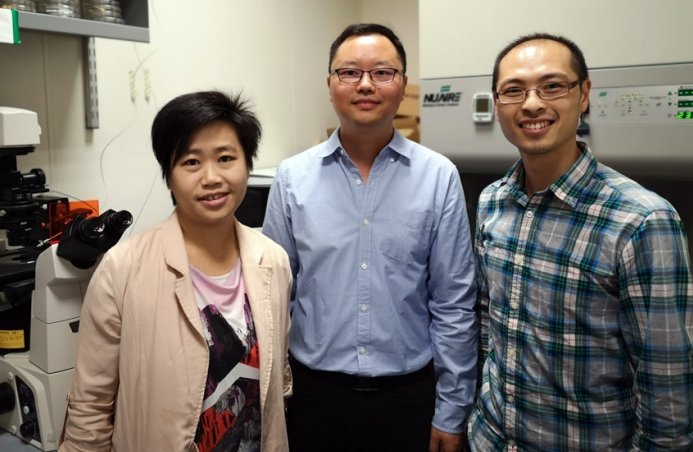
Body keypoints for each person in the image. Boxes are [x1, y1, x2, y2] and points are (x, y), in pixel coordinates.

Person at [468, 33, 693, 451]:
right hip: (491, 439)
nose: (532, 103)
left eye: (552, 86)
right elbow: (487, 324)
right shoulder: (493, 201)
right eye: (514, 90)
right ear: (498, 105)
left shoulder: (641, 220)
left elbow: (667, 380)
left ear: (584, 94)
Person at [262, 23, 477, 452]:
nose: (365, 84)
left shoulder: (438, 177)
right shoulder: (291, 179)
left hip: (410, 399)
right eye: (349, 73)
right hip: (312, 397)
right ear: (329, 84)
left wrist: (452, 411)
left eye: (382, 73)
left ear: (402, 86)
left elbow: (453, 302)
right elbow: (273, 296)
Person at [59, 91, 293, 452]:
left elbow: (277, 384)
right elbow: (91, 405)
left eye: (226, 158)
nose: (212, 177)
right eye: (191, 162)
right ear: (168, 176)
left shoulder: (273, 261)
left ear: (248, 165)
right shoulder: (123, 270)